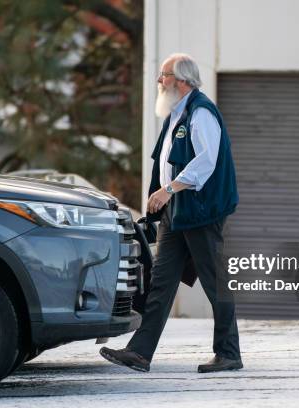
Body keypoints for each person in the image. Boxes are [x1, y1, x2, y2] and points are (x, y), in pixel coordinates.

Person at [100, 53, 241, 373]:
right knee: (160, 283)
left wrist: (169, 190)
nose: (159, 81)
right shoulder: (177, 114)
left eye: (163, 75)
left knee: (214, 281)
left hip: (200, 211)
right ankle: (140, 352)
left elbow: (206, 161)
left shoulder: (201, 112)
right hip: (176, 213)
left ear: (181, 81)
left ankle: (229, 353)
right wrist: (161, 198)